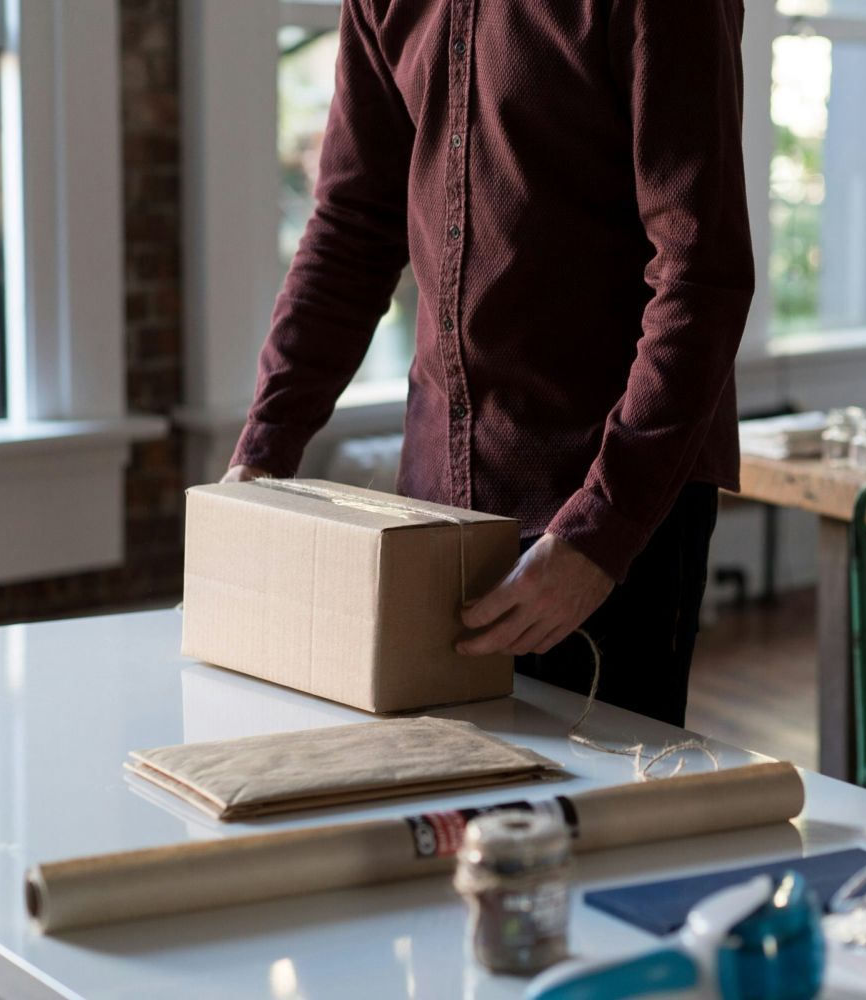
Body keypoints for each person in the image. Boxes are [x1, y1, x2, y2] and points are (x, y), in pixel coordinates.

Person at [222, 1, 754, 729]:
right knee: (436, 816)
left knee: (597, 827)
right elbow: (351, 229)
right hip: (432, 512)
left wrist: (598, 537)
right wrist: (260, 458)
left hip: (611, 507)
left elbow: (702, 276)